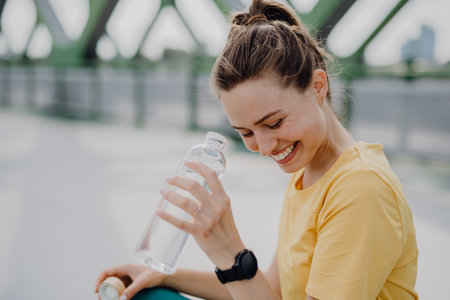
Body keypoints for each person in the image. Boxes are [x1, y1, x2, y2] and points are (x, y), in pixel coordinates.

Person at [95, 0, 418, 299]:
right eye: (246, 132)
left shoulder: (360, 188)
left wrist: (232, 255)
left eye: (274, 123)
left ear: (318, 86)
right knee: (146, 293)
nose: (264, 147)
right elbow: (274, 290)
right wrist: (164, 275)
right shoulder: (308, 171)